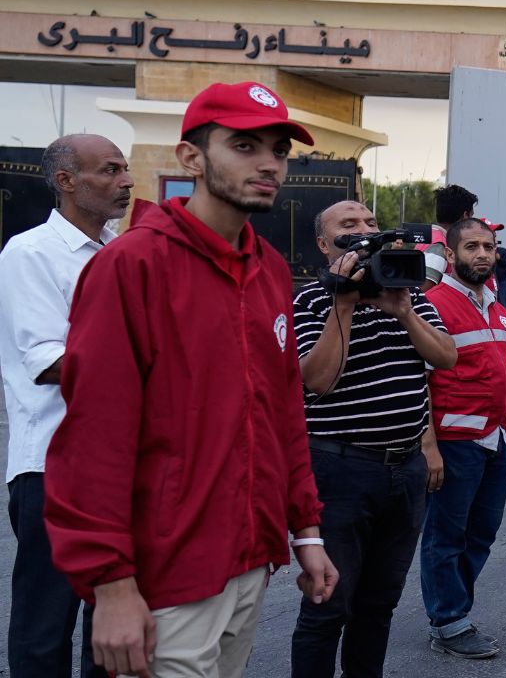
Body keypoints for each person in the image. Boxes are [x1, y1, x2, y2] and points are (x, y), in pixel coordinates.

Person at [46, 81, 338, 678]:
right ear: (191, 158)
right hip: (169, 577)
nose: (268, 164)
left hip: (252, 559)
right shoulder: (131, 266)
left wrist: (305, 530)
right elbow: (94, 440)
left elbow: (284, 412)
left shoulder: (269, 269)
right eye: (244, 145)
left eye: (279, 150)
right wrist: (112, 585)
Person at [291, 200, 457, 678]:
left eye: (369, 223)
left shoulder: (411, 295)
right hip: (338, 470)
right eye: (348, 225)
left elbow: (445, 359)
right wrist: (342, 302)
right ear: (325, 246)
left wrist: (404, 310)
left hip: (403, 470)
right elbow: (318, 380)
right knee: (328, 605)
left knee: (378, 604)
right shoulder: (310, 301)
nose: (364, 231)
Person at [0, 134, 130, 678]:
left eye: (125, 169)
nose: (125, 180)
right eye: (109, 170)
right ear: (66, 181)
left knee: (114, 629)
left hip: (119, 470)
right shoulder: (30, 253)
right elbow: (50, 362)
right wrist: (149, 363)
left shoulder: (119, 252)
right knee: (43, 630)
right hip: (51, 469)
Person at [419, 219, 506, 660]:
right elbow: (418, 381)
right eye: (472, 246)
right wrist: (428, 446)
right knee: (446, 536)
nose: (482, 254)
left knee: (482, 533)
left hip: (494, 440)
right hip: (455, 441)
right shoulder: (433, 304)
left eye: (489, 246)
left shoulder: (496, 306)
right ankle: (449, 621)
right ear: (452, 254)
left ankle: (453, 609)